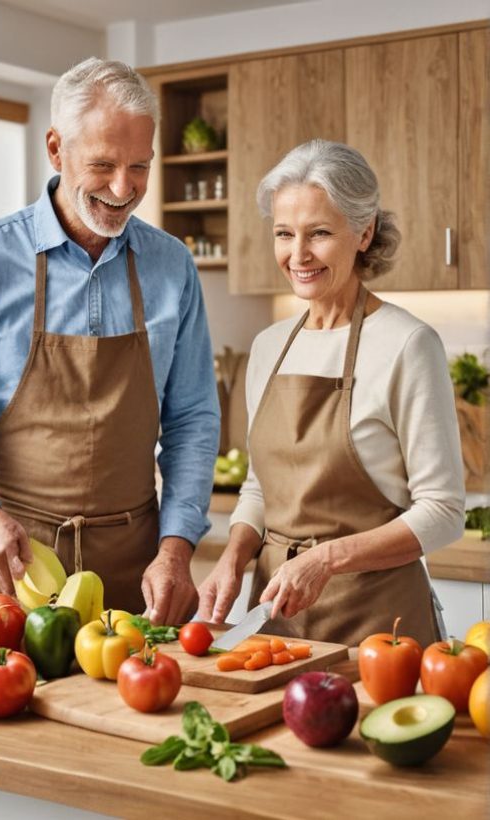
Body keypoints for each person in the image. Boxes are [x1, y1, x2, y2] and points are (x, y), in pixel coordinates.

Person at [0, 57, 220, 624]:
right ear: (56, 149)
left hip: (138, 570)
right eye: (102, 165)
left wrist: (177, 547)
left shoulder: (172, 266)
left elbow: (193, 420)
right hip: (10, 561)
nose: (124, 189)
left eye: (139, 167)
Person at [197, 139, 465, 647]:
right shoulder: (269, 346)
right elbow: (260, 487)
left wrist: (325, 560)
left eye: (318, 233)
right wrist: (233, 558)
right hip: (276, 621)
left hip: (382, 628)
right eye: (283, 234)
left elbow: (444, 511)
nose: (297, 255)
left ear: (364, 233)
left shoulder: (408, 344)